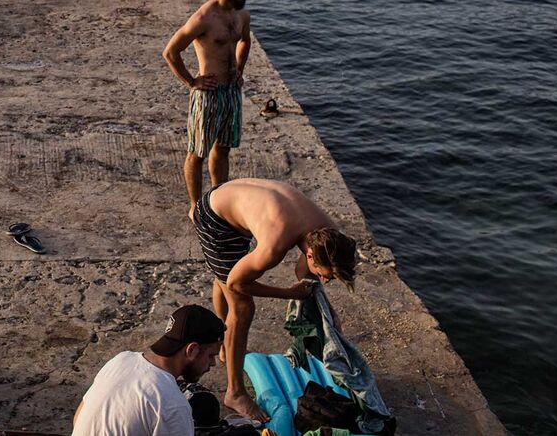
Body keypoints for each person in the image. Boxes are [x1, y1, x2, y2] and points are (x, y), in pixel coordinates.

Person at [193, 178, 358, 422]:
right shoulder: (275, 244)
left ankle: (226, 347)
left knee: (223, 276)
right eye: (326, 276)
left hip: (235, 200)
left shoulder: (328, 234)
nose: (325, 281)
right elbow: (236, 283)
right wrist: (289, 293)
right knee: (242, 306)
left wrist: (327, 310)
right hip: (215, 220)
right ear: (310, 254)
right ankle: (234, 393)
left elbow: (304, 273)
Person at [162, 0, 251, 223]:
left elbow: (245, 40)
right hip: (208, 94)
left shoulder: (241, 14)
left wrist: (240, 69)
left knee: (223, 148)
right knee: (197, 152)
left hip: (230, 93)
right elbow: (171, 51)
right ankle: (194, 207)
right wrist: (192, 82)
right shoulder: (204, 17)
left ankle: (219, 201)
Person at [71, 305, 225, 436]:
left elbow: (79, 416)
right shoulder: (172, 405)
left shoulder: (122, 359)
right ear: (192, 350)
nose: (213, 364)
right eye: (211, 355)